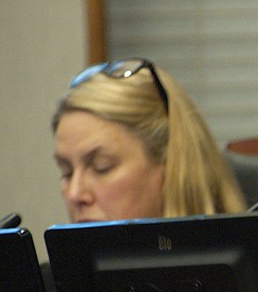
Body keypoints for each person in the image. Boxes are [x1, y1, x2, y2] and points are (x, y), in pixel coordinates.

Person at [52, 58, 246, 222]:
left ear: (170, 165)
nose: (74, 194)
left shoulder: (255, 266)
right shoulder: (50, 268)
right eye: (67, 172)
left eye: (101, 167)